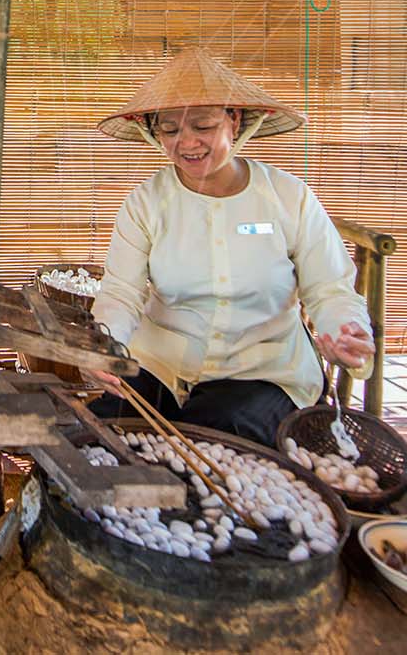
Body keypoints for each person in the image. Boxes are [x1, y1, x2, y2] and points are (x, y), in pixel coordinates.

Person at [87, 48, 375, 447]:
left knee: (219, 433)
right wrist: (107, 344)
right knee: (94, 434)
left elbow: (330, 290)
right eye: (169, 130)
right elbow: (121, 292)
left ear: (235, 121)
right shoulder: (144, 204)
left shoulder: (290, 198)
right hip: (161, 365)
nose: (186, 142)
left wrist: (343, 332)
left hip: (261, 370)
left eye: (203, 125)